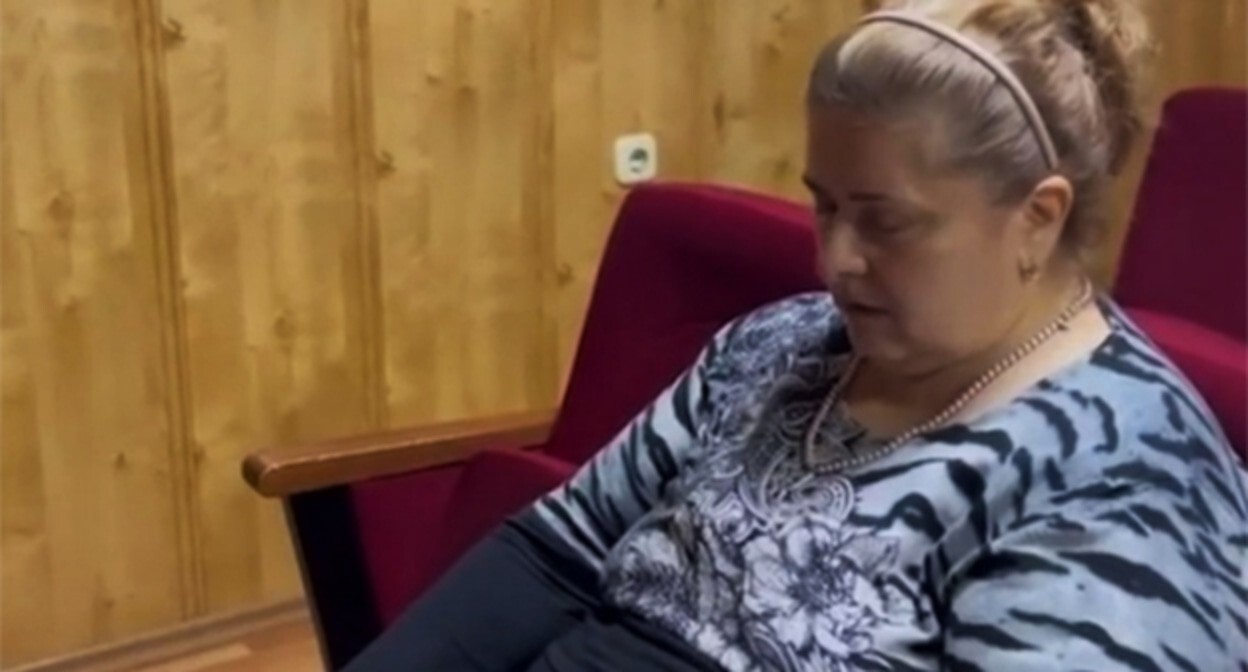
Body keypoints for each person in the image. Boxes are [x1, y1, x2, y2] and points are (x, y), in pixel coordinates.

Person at [346, 0, 1248, 669]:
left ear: (1037, 218)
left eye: (885, 221)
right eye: (825, 207)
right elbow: (558, 550)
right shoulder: (783, 343)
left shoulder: (1124, 485)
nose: (834, 260)